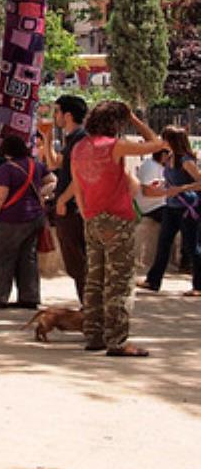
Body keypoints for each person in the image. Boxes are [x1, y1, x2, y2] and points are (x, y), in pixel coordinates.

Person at [59, 101, 163, 357]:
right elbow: (156, 143)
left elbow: (78, 184)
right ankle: (117, 340)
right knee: (119, 282)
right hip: (117, 218)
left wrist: (86, 213)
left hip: (92, 219)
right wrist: (135, 119)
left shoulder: (80, 147)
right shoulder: (114, 146)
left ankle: (94, 334)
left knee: (95, 280)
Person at [0, 136, 53, 308]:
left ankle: (0, 297)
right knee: (28, 258)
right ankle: (30, 297)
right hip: (34, 218)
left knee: (3, 258)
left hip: (9, 219)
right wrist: (40, 195)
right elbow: (52, 181)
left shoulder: (7, 169)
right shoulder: (35, 165)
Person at [139, 127, 201, 295]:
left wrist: (181, 188)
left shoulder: (186, 161)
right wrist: (161, 183)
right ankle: (153, 281)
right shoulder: (170, 158)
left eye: (164, 138)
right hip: (171, 206)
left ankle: (199, 286)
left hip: (187, 208)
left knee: (192, 246)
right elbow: (171, 179)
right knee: (163, 243)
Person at [46, 94, 89, 302]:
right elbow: (55, 163)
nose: (55, 116)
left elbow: (81, 175)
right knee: (75, 262)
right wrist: (45, 138)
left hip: (73, 208)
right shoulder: (72, 138)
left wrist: (63, 199)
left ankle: (90, 310)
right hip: (68, 205)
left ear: (67, 115)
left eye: (57, 111)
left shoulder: (81, 139)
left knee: (78, 262)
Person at [133, 149, 169, 275]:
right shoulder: (150, 167)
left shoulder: (161, 167)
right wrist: (171, 192)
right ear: (163, 155)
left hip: (161, 204)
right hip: (152, 207)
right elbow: (147, 192)